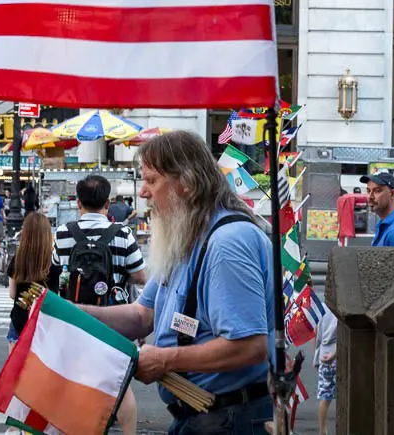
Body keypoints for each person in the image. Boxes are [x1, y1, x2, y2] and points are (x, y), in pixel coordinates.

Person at [79, 131, 276, 435]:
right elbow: (142, 316)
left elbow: (250, 347)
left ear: (186, 182)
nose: (143, 193)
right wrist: (74, 314)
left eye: (152, 181)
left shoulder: (227, 243)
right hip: (201, 417)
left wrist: (165, 359)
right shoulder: (188, 235)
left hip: (229, 419)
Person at [53, 174, 147, 435]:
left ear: (78, 203)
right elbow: (140, 276)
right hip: (115, 317)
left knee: (76, 380)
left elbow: (55, 271)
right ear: (108, 204)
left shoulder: (63, 233)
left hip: (75, 317)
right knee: (120, 383)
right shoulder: (122, 233)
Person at [6, 212, 60, 349]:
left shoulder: (17, 259)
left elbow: (12, 294)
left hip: (19, 321)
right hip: (44, 323)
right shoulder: (53, 262)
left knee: (15, 370)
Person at [360, 173, 394, 247]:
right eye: (368, 191)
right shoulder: (386, 221)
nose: (370, 196)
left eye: (377, 191)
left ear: (393, 194)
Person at [314, 308, 338, 435]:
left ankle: (323, 430)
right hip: (337, 353)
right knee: (343, 394)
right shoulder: (341, 306)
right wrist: (334, 355)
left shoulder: (322, 308)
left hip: (324, 353)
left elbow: (317, 334)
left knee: (324, 395)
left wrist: (316, 358)